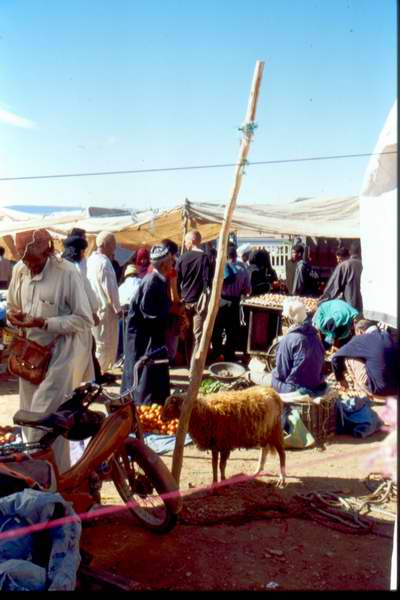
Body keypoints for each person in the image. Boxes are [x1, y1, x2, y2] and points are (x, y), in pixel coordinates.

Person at [7, 229, 94, 472]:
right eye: (25, 260)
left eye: (33, 260)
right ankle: (48, 475)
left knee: (43, 417)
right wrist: (15, 315)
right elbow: (14, 304)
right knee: (27, 417)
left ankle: (50, 476)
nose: (29, 265)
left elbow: (84, 319)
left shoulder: (67, 273)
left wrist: (44, 323)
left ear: (48, 250)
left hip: (63, 354)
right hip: (31, 355)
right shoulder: (20, 270)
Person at [121, 245, 173, 405]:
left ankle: (154, 401)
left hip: (150, 334)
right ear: (164, 265)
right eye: (171, 261)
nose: (173, 264)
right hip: (141, 337)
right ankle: (140, 405)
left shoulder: (160, 280)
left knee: (153, 369)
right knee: (142, 371)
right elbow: (150, 315)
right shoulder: (152, 282)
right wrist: (172, 318)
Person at [249, 298, 325, 394]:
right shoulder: (316, 337)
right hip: (315, 386)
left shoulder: (289, 340)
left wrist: (267, 373)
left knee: (256, 375)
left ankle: (248, 376)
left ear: (287, 319)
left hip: (294, 389)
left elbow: (280, 374)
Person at [331, 319, 398, 400]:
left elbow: (336, 357)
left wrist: (341, 379)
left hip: (380, 391)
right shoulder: (390, 336)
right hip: (397, 390)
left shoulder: (361, 338)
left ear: (359, 331)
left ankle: (363, 394)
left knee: (349, 356)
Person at [177, 230, 212, 371]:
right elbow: (207, 281)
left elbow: (177, 281)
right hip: (199, 304)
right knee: (197, 336)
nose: (185, 244)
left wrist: (179, 298)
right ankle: (194, 367)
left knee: (187, 336)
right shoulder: (205, 258)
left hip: (185, 303)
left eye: (186, 241)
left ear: (192, 241)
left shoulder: (182, 259)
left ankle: (188, 364)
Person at [87, 231, 122, 372]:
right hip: (105, 310)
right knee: (105, 343)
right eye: (113, 244)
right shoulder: (104, 263)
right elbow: (110, 289)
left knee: (97, 342)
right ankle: (100, 372)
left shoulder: (90, 260)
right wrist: (117, 308)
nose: (115, 248)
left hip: (93, 308)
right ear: (106, 245)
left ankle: (97, 371)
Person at [211, 245, 251, 362]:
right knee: (232, 330)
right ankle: (229, 355)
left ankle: (217, 353)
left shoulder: (220, 267)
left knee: (217, 329)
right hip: (235, 302)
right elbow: (247, 290)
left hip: (221, 301)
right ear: (235, 256)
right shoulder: (243, 269)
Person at [318, 242, 363, 312]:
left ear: (350, 252)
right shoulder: (365, 265)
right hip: (365, 311)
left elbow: (332, 289)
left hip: (350, 309)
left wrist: (321, 302)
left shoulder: (345, 265)